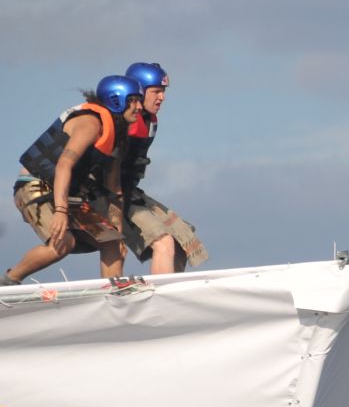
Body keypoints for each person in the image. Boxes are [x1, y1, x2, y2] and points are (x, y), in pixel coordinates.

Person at [6, 76, 140, 285]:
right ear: (117, 99)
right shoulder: (90, 123)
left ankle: (114, 293)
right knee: (63, 242)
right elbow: (63, 165)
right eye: (134, 100)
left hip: (66, 192)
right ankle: (8, 281)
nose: (139, 107)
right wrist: (60, 211)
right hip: (34, 185)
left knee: (112, 242)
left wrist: (117, 230)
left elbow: (114, 191)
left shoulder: (116, 136)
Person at [118, 61, 208, 273]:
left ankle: (171, 293)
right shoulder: (123, 123)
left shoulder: (148, 121)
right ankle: (159, 298)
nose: (162, 97)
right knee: (164, 241)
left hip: (130, 191)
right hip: (110, 194)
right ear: (139, 91)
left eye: (163, 91)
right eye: (157, 91)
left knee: (183, 236)